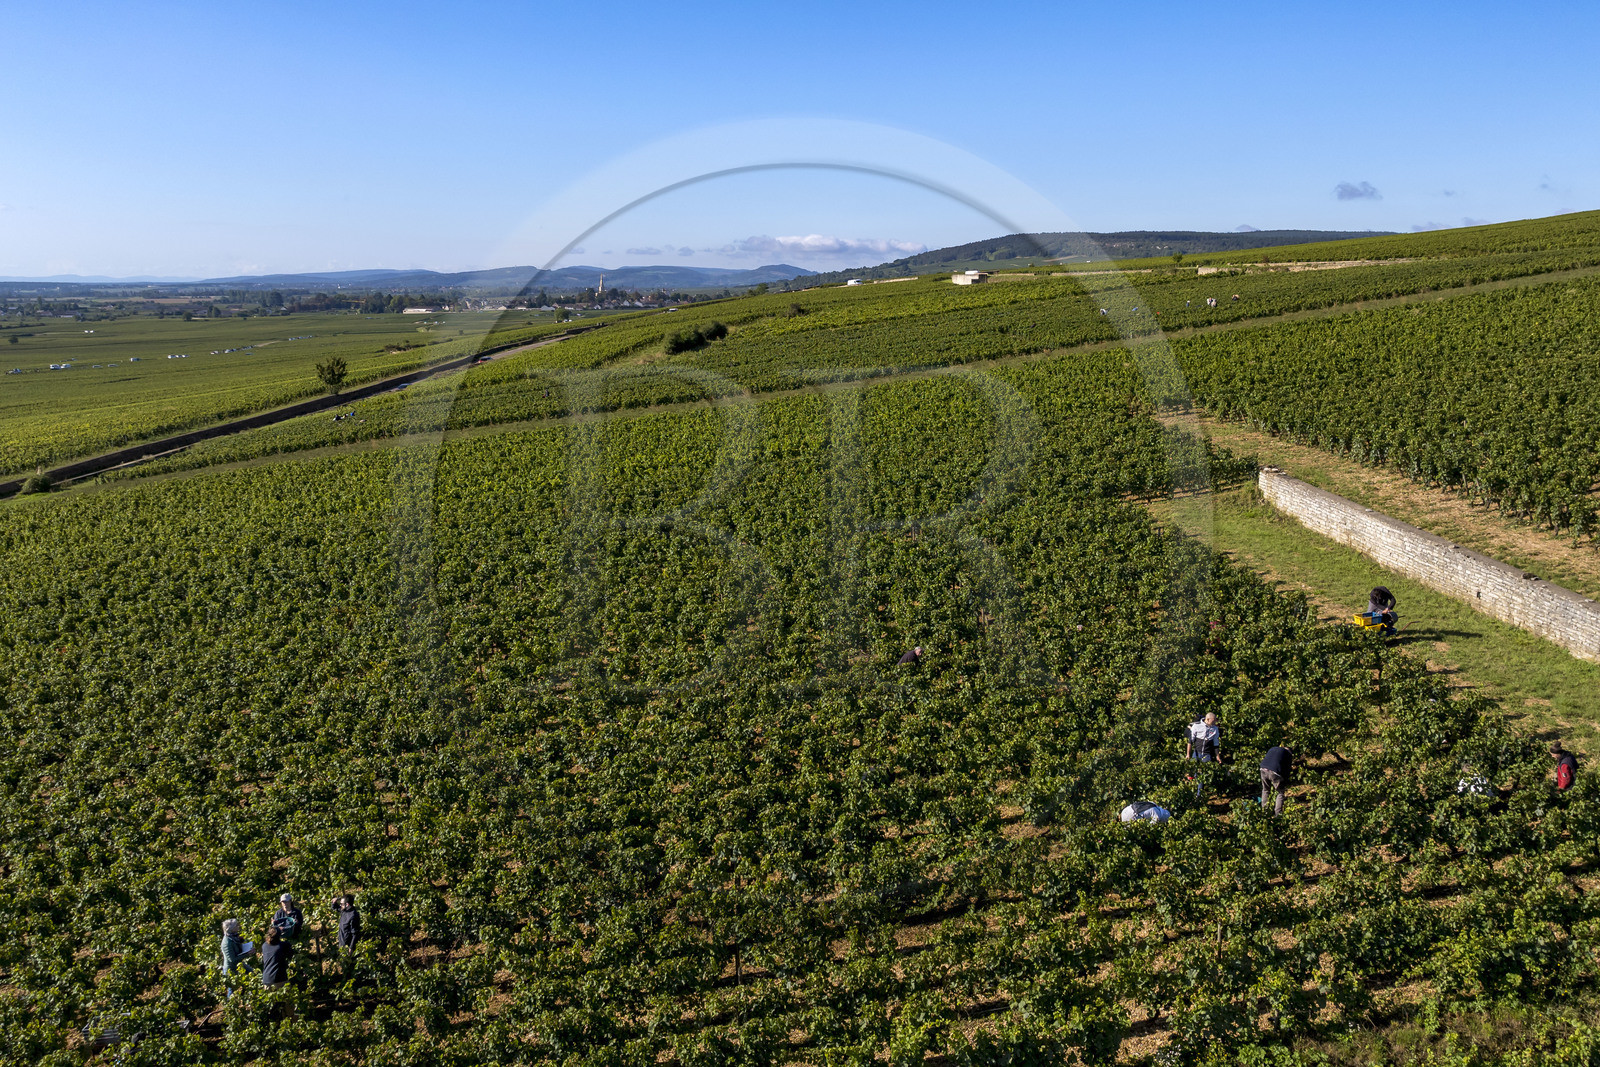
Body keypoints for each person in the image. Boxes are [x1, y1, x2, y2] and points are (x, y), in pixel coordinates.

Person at [219, 919, 254, 996]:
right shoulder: (227, 943)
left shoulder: (233, 937)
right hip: (230, 969)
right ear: (231, 929)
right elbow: (232, 959)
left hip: (238, 965)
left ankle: (247, 995)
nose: (238, 926)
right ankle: (230, 1002)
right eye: (236, 925)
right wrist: (247, 954)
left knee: (253, 974)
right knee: (232, 990)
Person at [1259, 745, 1291, 815]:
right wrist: (1284, 781)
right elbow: (1287, 769)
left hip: (1263, 769)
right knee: (1280, 792)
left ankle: (1265, 812)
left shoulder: (1273, 748)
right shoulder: (1287, 754)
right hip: (1274, 771)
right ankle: (1278, 814)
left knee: (1265, 790)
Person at [260, 926, 290, 991]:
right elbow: (289, 953)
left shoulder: (264, 945)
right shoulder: (282, 946)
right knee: (283, 996)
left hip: (266, 979)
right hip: (279, 979)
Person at [336, 893, 362, 961]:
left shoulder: (353, 916)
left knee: (351, 963)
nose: (340, 905)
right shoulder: (344, 911)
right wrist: (334, 902)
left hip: (348, 947)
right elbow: (336, 908)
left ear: (347, 904)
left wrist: (351, 948)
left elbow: (355, 934)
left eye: (341, 904)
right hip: (342, 944)